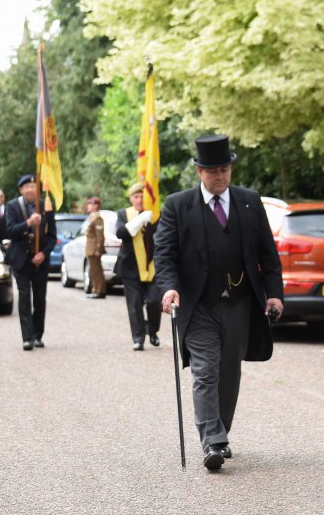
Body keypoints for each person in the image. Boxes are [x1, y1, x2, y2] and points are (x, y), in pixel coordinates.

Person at [155, 135, 283, 471]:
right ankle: (212, 439)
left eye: (224, 169)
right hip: (198, 305)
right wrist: (169, 288)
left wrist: (274, 293)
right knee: (205, 370)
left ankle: (220, 430)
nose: (220, 176)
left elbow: (268, 254)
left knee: (229, 371)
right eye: (212, 170)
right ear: (199, 171)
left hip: (239, 303)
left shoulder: (249, 202)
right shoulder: (177, 205)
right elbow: (164, 255)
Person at [4, 174, 56, 350]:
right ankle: (27, 337)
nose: (30, 190)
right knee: (25, 297)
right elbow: (10, 230)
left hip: (40, 261)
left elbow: (52, 236)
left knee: (40, 299)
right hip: (21, 260)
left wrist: (43, 253)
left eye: (33, 186)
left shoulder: (46, 205)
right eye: (26, 187)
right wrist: (28, 223)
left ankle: (37, 334)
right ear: (21, 190)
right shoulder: (12, 206)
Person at [113, 182, 161, 350]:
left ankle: (153, 330)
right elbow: (120, 233)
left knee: (155, 301)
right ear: (131, 198)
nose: (140, 199)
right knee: (134, 304)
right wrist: (140, 220)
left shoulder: (156, 214)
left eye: (142, 196)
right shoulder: (124, 214)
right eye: (136, 196)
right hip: (130, 267)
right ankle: (138, 338)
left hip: (153, 268)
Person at [84, 196, 107, 299]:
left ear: (96, 206)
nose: (88, 206)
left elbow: (100, 236)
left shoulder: (97, 218)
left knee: (97, 270)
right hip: (90, 248)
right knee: (93, 271)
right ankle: (95, 289)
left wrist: (99, 249)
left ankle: (100, 290)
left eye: (90, 204)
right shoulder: (92, 217)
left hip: (94, 249)